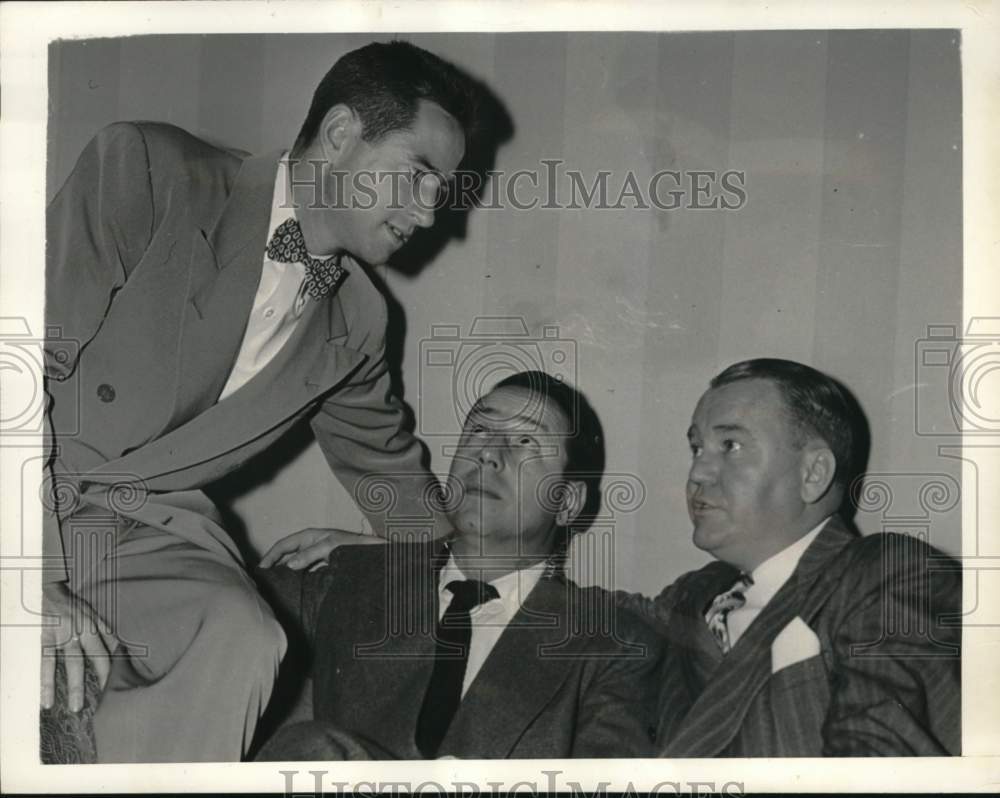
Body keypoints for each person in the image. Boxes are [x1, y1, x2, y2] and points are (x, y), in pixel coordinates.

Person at [41, 40, 480, 762]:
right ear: (341, 135)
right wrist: (28, 571)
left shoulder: (360, 322)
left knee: (246, 631)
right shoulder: (150, 172)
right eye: (418, 176)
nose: (430, 215)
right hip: (23, 484)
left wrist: (396, 548)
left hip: (137, 526)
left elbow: (395, 480)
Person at [255, 371, 665, 759]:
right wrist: (387, 558)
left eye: (525, 442)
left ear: (567, 502)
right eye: (479, 430)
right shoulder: (347, 580)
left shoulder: (608, 644)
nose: (487, 452)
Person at [618, 358, 961, 756]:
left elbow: (878, 762)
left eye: (730, 445)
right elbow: (577, 617)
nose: (698, 471)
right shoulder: (691, 596)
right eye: (696, 447)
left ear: (813, 473)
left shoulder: (889, 573)